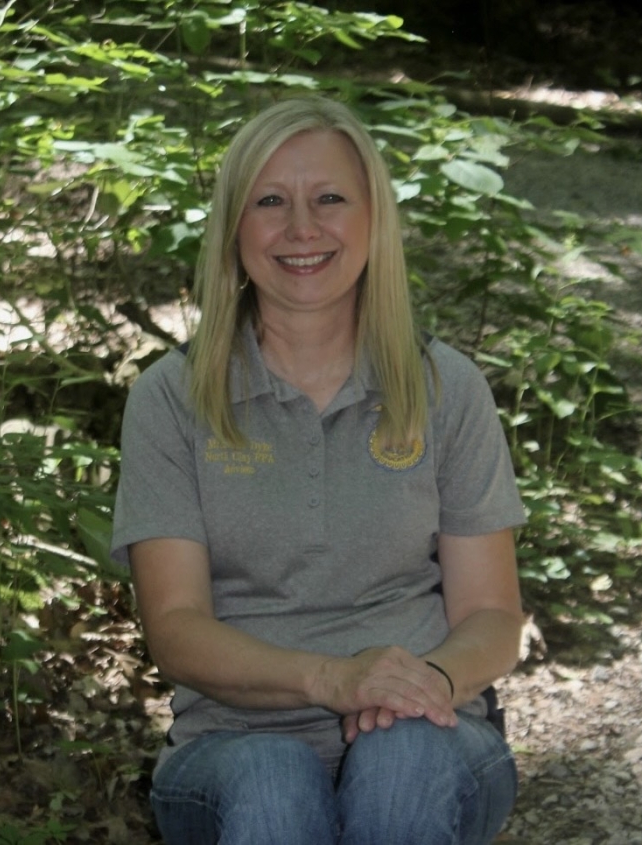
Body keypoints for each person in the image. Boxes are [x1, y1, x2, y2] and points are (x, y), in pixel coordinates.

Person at [110, 96, 526, 845]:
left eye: (329, 198)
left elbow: (493, 617)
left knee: (399, 764)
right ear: (234, 228)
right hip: (230, 747)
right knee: (275, 785)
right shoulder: (171, 398)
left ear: (374, 217)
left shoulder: (445, 387)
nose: (302, 228)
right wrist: (333, 679)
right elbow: (175, 629)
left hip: (429, 726)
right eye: (271, 201)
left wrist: (427, 681)